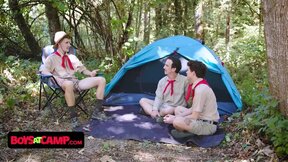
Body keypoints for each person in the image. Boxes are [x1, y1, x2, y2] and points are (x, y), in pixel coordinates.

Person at [40, 31, 106, 129]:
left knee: (101, 80)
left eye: (69, 43)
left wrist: (90, 73)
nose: (69, 45)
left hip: (75, 82)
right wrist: (54, 77)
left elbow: (82, 69)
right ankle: (73, 118)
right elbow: (43, 70)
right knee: (69, 83)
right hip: (62, 83)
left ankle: (97, 112)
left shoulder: (71, 57)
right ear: (59, 44)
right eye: (66, 42)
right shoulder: (52, 58)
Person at [163, 60, 220, 137]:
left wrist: (174, 118)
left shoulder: (200, 89)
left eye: (188, 70)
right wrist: (177, 116)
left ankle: (189, 133)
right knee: (178, 109)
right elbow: (193, 108)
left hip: (207, 125)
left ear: (193, 73)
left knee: (177, 121)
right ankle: (187, 130)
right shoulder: (200, 85)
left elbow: (194, 116)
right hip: (201, 119)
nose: (186, 72)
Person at [139, 56, 188, 121]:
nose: (164, 67)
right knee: (142, 100)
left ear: (173, 69)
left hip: (175, 107)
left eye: (167, 66)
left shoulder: (185, 81)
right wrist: (155, 109)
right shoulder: (162, 81)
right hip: (163, 105)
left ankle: (148, 112)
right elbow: (159, 97)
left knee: (168, 110)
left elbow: (189, 96)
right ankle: (156, 115)